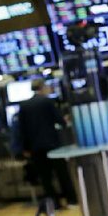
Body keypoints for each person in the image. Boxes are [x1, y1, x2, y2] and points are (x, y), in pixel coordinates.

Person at [17, 79, 77, 208]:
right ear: (43, 87)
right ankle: (71, 200)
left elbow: (22, 129)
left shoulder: (24, 105)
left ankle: (54, 204)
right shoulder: (47, 102)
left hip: (35, 147)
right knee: (62, 174)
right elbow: (59, 121)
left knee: (45, 178)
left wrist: (25, 148)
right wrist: (65, 119)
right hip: (52, 145)